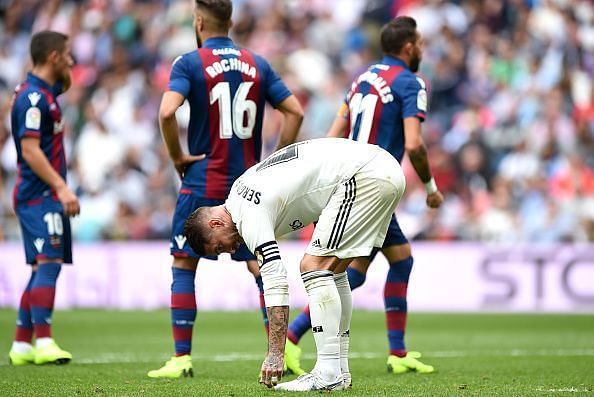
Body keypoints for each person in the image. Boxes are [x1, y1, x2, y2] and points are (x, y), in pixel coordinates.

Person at [147, 0, 303, 379]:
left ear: (199, 22)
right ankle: (284, 354)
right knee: (260, 266)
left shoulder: (189, 62)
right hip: (247, 186)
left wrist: (177, 156)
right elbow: (295, 111)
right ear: (231, 22)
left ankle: (181, 358)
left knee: (184, 264)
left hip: (201, 180)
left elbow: (167, 112)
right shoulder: (257, 63)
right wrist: (274, 162)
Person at [284, 16, 444, 376]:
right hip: (372, 184)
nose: (421, 48)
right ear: (408, 47)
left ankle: (398, 353)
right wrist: (431, 188)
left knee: (398, 260)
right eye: (419, 43)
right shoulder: (411, 82)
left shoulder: (362, 79)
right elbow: (415, 144)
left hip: (352, 181)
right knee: (347, 270)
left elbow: (333, 133)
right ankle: (292, 337)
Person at [184, 138, 406, 391]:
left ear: (215, 224)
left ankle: (328, 373)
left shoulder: (247, 213)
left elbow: (275, 282)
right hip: (381, 167)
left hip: (364, 175)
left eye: (219, 247)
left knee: (313, 266)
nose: (230, 250)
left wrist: (276, 353)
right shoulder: (240, 191)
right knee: (334, 271)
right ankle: (339, 371)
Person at [8, 30, 79, 366]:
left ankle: (22, 344)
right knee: (48, 263)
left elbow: (65, 82)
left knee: (40, 267)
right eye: (67, 54)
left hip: (39, 194)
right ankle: (45, 341)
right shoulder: (34, 98)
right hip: (39, 194)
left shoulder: (42, 93)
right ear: (53, 57)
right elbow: (30, 149)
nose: (72, 60)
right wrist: (61, 187)